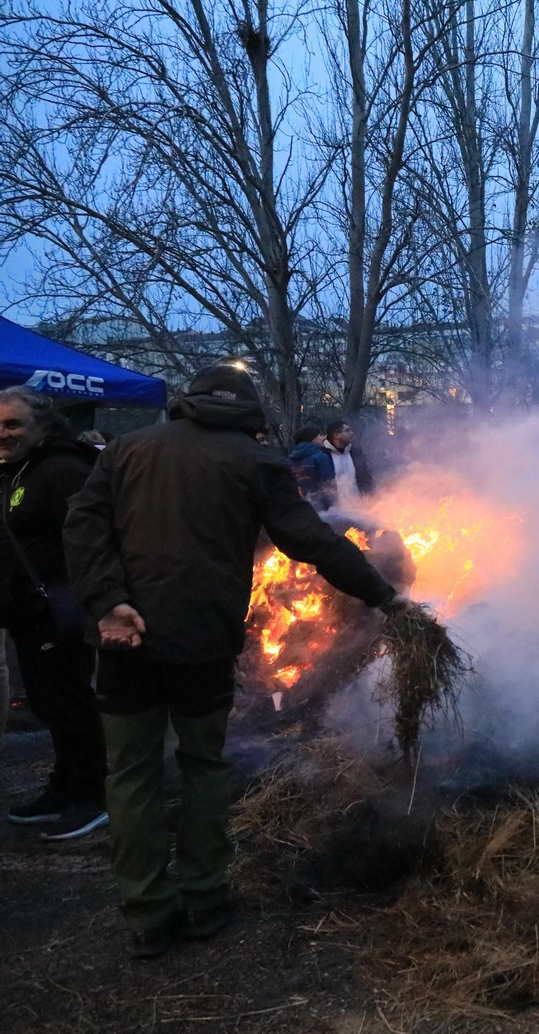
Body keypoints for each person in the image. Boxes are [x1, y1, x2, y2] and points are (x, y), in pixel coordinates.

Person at [64, 362, 400, 960]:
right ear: (248, 412)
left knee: (131, 773)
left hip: (124, 641)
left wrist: (109, 603)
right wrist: (385, 597)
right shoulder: (256, 460)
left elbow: (83, 529)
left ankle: (146, 914)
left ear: (188, 401)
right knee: (202, 765)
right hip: (201, 642)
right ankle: (204, 897)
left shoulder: (126, 449)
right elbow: (314, 542)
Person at [0, 388, 107, 841]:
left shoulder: (63, 470)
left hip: (58, 610)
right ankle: (64, 787)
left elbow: (94, 539)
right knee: (48, 702)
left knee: (68, 701)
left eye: (13, 424)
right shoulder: (16, 470)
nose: (3, 433)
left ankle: (93, 796)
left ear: (42, 425)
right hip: (26, 611)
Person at [323, 419, 373, 505]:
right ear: (337, 435)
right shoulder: (323, 456)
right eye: (347, 430)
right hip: (334, 511)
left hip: (358, 508)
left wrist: (369, 498)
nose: (351, 433)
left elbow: (366, 479)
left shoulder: (355, 454)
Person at [287, 425, 335, 510]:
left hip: (300, 509)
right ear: (312, 438)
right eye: (320, 435)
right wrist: (333, 507)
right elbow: (329, 485)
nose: (324, 437)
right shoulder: (321, 457)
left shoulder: (290, 460)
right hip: (323, 509)